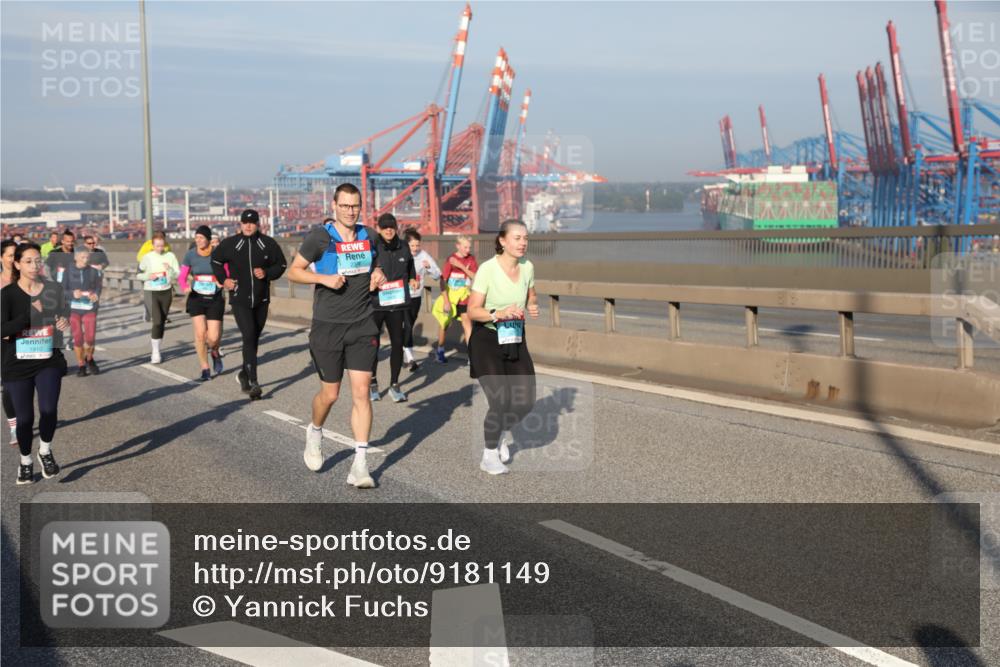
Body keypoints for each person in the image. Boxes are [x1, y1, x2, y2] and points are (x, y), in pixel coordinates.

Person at [286, 184, 386, 488]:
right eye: (345, 206)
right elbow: (294, 271)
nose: (350, 211)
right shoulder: (320, 237)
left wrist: (378, 274)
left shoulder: (368, 236)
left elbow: (377, 265)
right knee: (330, 394)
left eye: (355, 206)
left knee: (361, 392)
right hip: (328, 325)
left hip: (363, 324)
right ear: (334, 206)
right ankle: (315, 430)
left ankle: (360, 465)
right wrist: (323, 278)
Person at [466, 220, 539, 475]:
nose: (523, 243)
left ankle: (502, 431)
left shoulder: (527, 267)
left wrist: (532, 304)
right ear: (502, 241)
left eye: (525, 238)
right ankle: (488, 456)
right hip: (487, 340)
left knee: (526, 401)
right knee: (500, 400)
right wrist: (498, 313)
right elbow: (472, 310)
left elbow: (531, 293)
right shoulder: (487, 269)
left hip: (516, 338)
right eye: (517, 238)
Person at [1, 242, 71, 484]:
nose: (34, 265)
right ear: (17, 264)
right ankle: (25, 460)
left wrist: (63, 321)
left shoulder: (53, 288)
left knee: (49, 409)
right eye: (28, 261)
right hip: (18, 363)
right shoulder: (7, 295)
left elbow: (64, 312)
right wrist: (30, 315)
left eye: (37, 260)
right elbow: (2, 330)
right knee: (25, 419)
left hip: (47, 359)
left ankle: (45, 450)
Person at [211, 209, 286, 400]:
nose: (248, 225)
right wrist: (224, 280)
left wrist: (267, 273)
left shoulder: (267, 243)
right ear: (240, 224)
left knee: (254, 339)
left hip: (261, 300)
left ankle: (244, 373)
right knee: (249, 335)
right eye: (245, 222)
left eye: (252, 223)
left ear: (258, 224)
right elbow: (215, 260)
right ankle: (253, 381)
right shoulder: (231, 243)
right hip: (239, 299)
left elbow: (282, 264)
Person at [368, 214, 416, 402]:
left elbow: (411, 266)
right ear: (379, 228)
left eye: (392, 227)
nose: (388, 230)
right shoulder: (373, 246)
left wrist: (412, 278)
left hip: (397, 303)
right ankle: (372, 382)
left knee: (397, 343)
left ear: (396, 228)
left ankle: (394, 384)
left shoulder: (404, 246)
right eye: (385, 227)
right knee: (374, 344)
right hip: (377, 303)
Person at [180, 226, 224, 381]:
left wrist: (222, 282)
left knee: (213, 337)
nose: (198, 240)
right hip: (196, 297)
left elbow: (227, 272)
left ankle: (215, 352)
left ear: (208, 239)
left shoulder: (218, 253)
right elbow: (182, 276)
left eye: (201, 237)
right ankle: (205, 368)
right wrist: (185, 287)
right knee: (200, 335)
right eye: (196, 237)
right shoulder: (190, 255)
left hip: (215, 297)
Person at [136, 231, 179, 364]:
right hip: (151, 291)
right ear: (152, 245)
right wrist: (148, 276)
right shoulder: (147, 257)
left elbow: (177, 274)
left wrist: (170, 269)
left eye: (162, 245)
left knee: (162, 321)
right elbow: (138, 275)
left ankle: (158, 347)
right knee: (157, 321)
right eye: (157, 246)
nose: (160, 248)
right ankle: (155, 352)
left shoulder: (170, 256)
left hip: (166, 292)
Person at [401, 228, 440, 372]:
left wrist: (429, 268)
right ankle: (411, 358)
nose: (416, 248)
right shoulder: (401, 254)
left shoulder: (424, 256)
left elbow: (437, 274)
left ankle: (403, 351)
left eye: (418, 245)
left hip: (416, 296)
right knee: (409, 326)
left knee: (408, 325)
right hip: (401, 296)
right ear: (407, 245)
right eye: (412, 245)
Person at [436, 235, 477, 363]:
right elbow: (443, 281)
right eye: (465, 247)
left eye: (469, 247)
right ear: (458, 246)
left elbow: (476, 277)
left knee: (467, 324)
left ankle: (472, 355)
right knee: (444, 324)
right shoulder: (450, 259)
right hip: (451, 298)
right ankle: (440, 351)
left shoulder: (471, 259)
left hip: (464, 298)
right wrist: (446, 301)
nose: (468, 250)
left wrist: (461, 267)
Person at [63, 249, 102, 376]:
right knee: (78, 338)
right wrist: (71, 293)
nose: (86, 259)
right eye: (83, 257)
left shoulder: (94, 271)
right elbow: (62, 290)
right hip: (73, 309)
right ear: (76, 258)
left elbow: (98, 287)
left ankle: (89, 359)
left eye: (87, 257)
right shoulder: (68, 271)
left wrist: (95, 294)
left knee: (90, 337)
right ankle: (81, 365)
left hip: (89, 308)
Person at [1, 240, 18, 443]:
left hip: (27, 339)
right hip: (4, 340)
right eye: (10, 255)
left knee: (25, 384)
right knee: (8, 385)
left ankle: (23, 418)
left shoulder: (29, 279)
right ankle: (14, 425)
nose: (14, 259)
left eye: (17, 255)